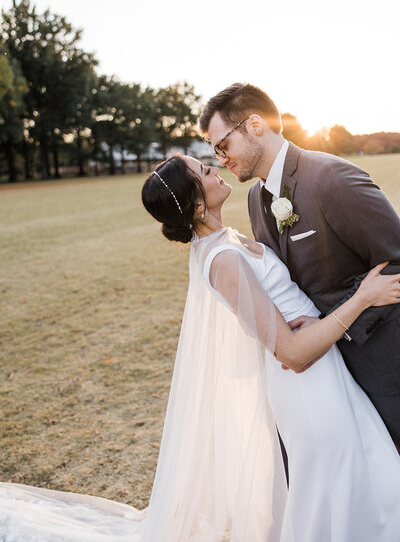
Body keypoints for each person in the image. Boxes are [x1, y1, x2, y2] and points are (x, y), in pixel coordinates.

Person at [1, 154, 399, 541]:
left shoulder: (228, 239)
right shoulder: (221, 260)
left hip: (326, 371)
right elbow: (291, 353)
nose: (217, 167)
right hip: (309, 388)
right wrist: (363, 297)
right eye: (206, 170)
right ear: (195, 202)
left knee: (366, 477)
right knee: (341, 489)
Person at [199, 82, 400, 451]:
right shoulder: (257, 199)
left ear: (255, 125)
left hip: (387, 365)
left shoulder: (331, 178)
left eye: (223, 145)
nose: (221, 160)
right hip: (328, 376)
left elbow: (396, 260)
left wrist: (334, 321)